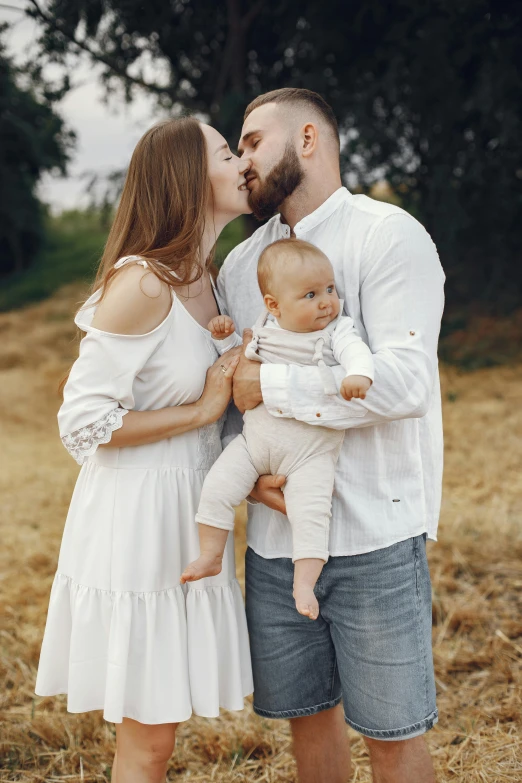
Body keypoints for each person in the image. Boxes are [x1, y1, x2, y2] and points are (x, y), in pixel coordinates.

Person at [218, 88, 445, 783]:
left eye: (254, 141)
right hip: (275, 545)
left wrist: (276, 388)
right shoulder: (238, 267)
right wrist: (250, 475)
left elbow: (404, 384)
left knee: (394, 738)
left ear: (308, 139)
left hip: (374, 533)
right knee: (309, 730)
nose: (243, 160)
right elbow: (234, 395)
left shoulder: (388, 234)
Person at [35, 117, 254, 783]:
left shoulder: (211, 280)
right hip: (138, 520)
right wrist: (202, 408)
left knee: (163, 732)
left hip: (191, 511)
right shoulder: (144, 284)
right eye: (227, 151)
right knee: (150, 740)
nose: (243, 162)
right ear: (191, 178)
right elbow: (82, 422)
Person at [181, 238, 374, 621]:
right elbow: (241, 364)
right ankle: (210, 555)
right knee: (217, 487)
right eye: (310, 294)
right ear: (273, 305)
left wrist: (358, 374)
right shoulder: (264, 328)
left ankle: (304, 584)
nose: (326, 302)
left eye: (330, 289)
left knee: (311, 514)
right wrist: (226, 340)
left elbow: (356, 350)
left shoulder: (335, 330)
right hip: (256, 444)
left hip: (310, 454)